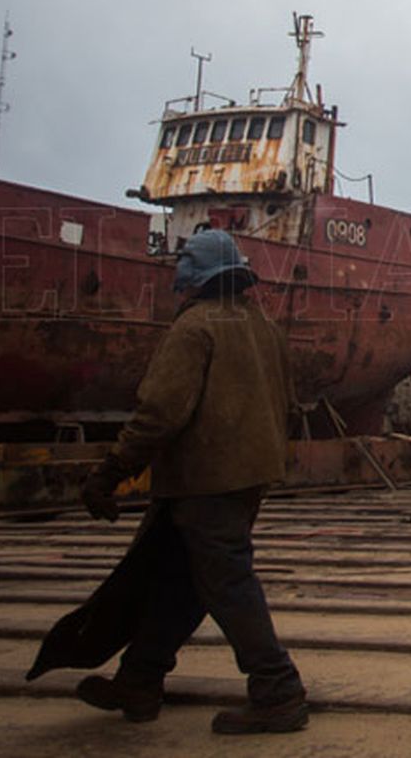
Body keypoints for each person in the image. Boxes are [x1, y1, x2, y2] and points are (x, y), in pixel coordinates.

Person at [76, 229, 307, 734]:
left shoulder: (196, 327)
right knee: (182, 584)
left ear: (193, 275)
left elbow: (159, 413)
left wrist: (110, 472)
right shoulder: (263, 326)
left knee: (227, 583)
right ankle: (139, 679)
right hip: (247, 477)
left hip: (206, 480)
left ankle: (278, 689)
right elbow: (288, 403)